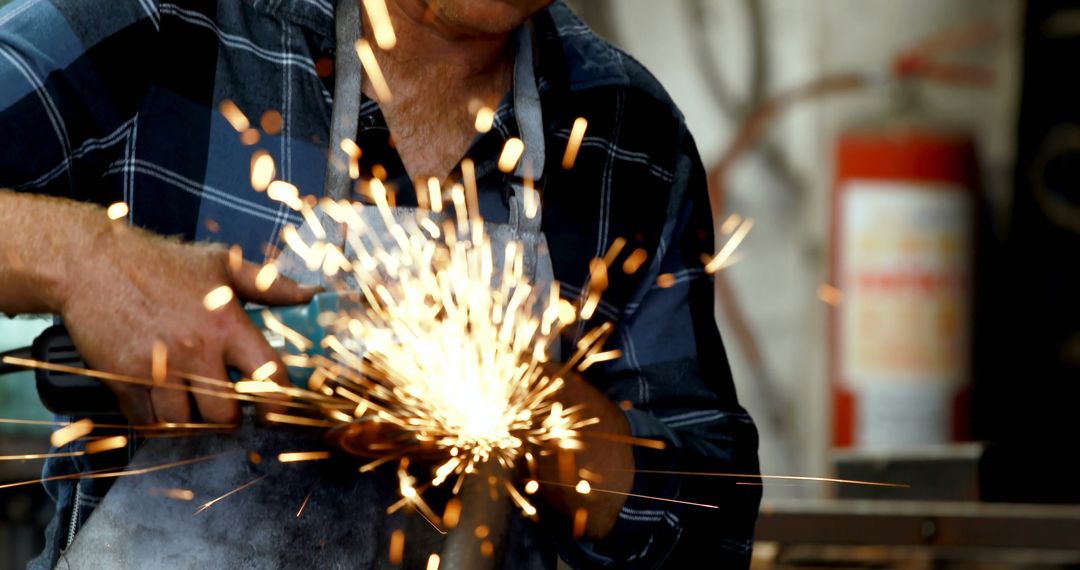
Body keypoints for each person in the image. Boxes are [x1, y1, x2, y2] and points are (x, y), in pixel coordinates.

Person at [0, 0, 761, 567]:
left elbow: (706, 524)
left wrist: (509, 405)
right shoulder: (163, 27)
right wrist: (86, 259)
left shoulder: (625, 135)